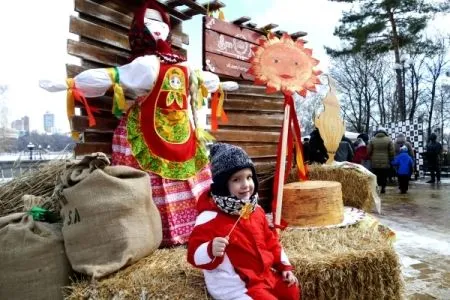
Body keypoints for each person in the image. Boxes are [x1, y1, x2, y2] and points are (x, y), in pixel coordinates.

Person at [40, 0, 236, 246]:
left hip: (181, 132)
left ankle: (196, 226)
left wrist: (221, 85)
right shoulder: (144, 65)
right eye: (149, 22)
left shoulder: (183, 66)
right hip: (147, 128)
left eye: (161, 23)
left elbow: (203, 80)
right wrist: (71, 84)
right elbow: (112, 77)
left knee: (189, 177)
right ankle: (155, 234)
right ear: (138, 29)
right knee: (150, 180)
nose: (157, 28)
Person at [187, 143, 300, 300]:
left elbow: (271, 241)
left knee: (291, 290)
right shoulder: (209, 217)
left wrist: (284, 267)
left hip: (263, 275)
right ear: (223, 185)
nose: (246, 185)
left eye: (248, 177)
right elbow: (193, 254)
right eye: (236, 179)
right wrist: (210, 249)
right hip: (238, 285)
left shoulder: (255, 210)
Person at [367, 127, 395, 194]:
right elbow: (392, 151)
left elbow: (368, 150)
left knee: (376, 175)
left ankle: (377, 188)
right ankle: (383, 187)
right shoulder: (389, 140)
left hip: (374, 161)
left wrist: (371, 157)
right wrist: (391, 158)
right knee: (384, 175)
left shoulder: (372, 140)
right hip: (385, 161)